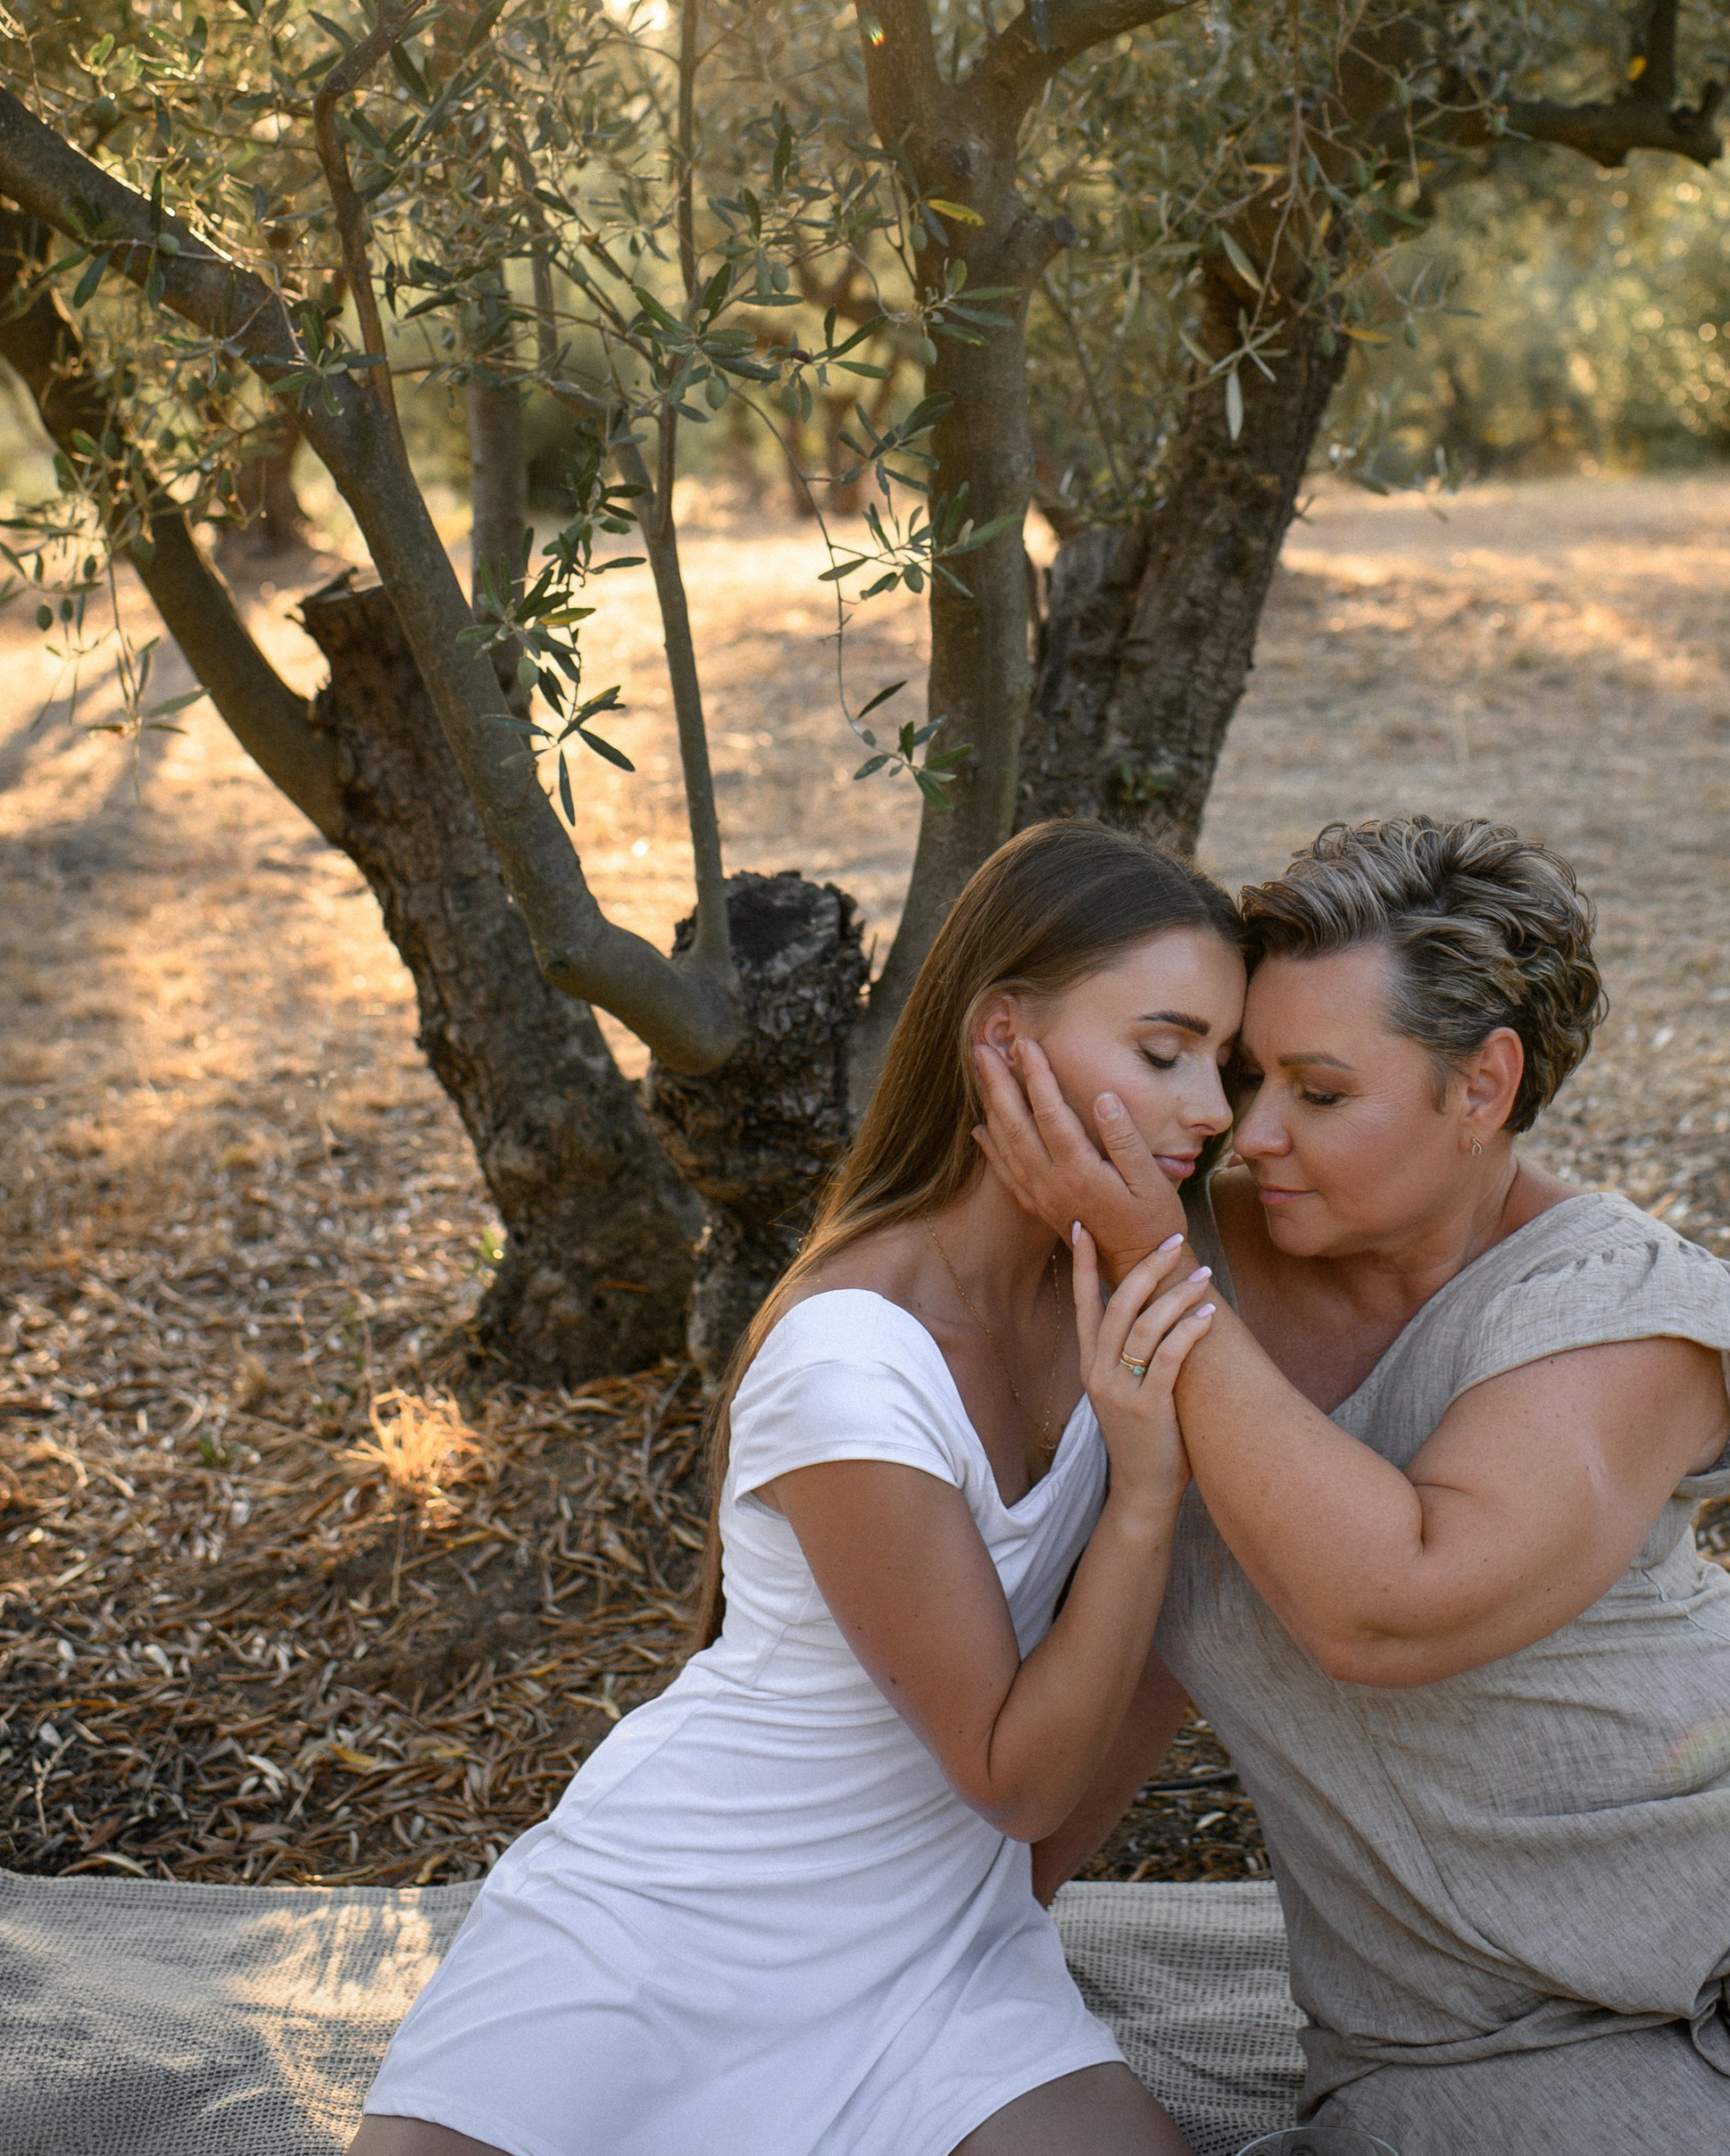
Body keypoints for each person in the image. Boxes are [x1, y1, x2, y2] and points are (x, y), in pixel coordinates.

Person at [985, 813, 1730, 2156]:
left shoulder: (1623, 1307)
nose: (1250, 1131)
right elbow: (1149, 1643)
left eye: (1320, 1092)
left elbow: (1387, 1606)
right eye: (1242, 1072)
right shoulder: (1163, 1253)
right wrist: (962, 1939)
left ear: (1483, 1086)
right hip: (1453, 2009)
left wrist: (1159, 1275)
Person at [353, 819, 1246, 2156]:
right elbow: (1012, 1775)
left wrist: (993, 1912)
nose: (1217, 1109)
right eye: (1166, 1054)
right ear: (1002, 1039)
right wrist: (1139, 1499)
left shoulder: (1143, 1288)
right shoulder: (851, 1355)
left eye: (1226, 1064)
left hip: (945, 1966)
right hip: (671, 1932)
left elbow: (1148, 1683)